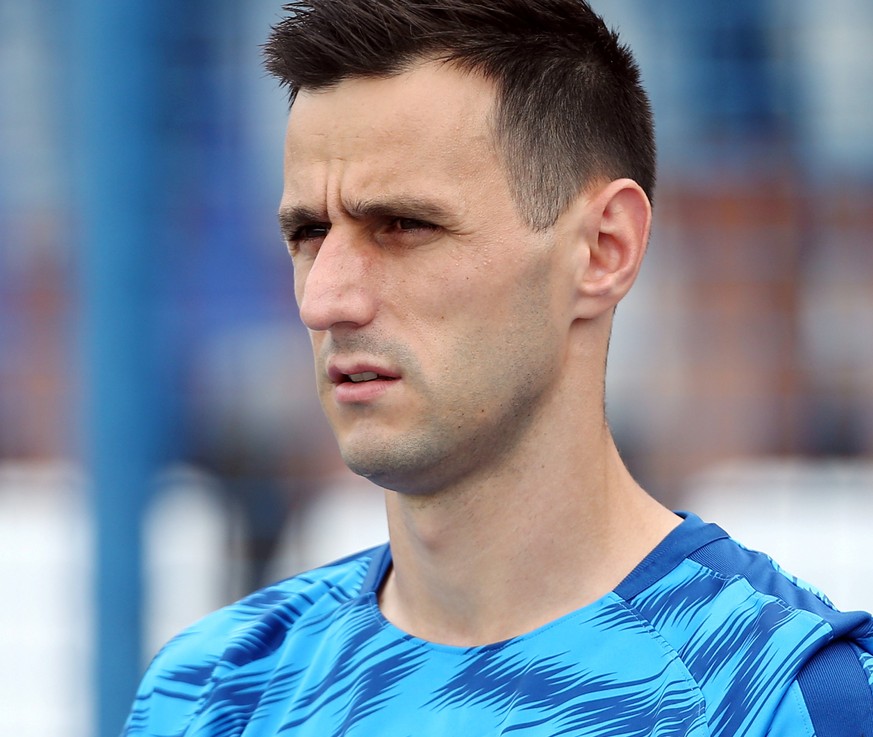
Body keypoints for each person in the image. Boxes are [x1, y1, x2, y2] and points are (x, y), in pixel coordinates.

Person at [123, 1, 873, 734]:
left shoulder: (786, 695)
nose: (325, 300)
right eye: (309, 231)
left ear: (602, 249)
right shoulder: (214, 688)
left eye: (403, 226)